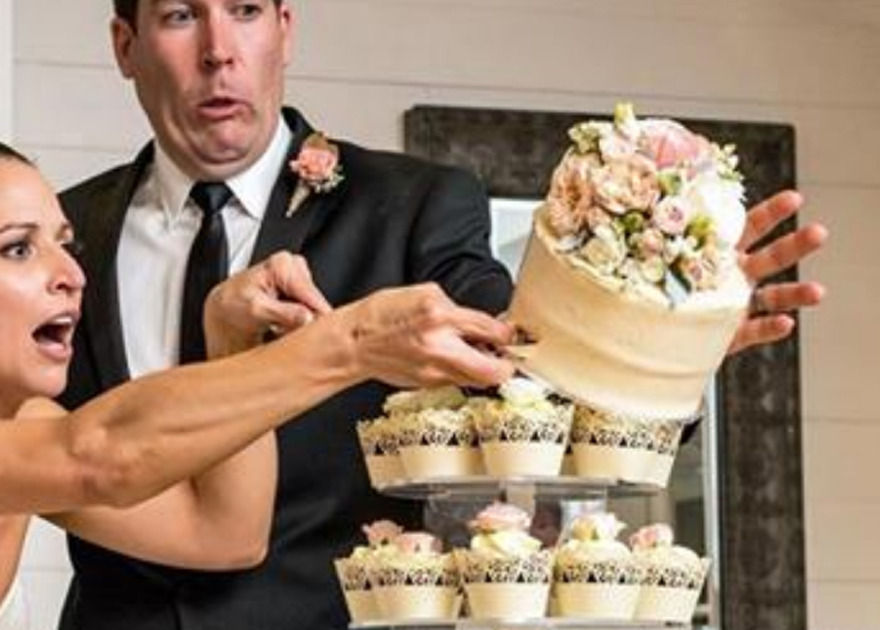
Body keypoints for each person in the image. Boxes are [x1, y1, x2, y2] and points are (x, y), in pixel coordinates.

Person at [54, 1, 829, 629]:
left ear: (285, 30)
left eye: (246, 10)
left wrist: (665, 336)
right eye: (180, 16)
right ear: (125, 45)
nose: (219, 51)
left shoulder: (411, 205)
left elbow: (523, 369)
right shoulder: (63, 236)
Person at [0, 120, 518, 630]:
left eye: (64, 244)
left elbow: (225, 534)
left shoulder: (17, 434)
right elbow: (101, 454)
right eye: (19, 249)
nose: (69, 275)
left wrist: (228, 342)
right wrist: (351, 341)